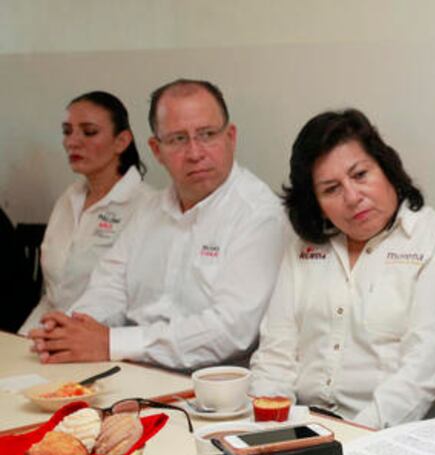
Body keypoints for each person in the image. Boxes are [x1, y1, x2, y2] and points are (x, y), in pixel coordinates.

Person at [26, 79, 287, 371]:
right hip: (128, 369)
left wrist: (111, 343)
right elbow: (109, 287)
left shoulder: (259, 214)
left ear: (231, 137)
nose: (195, 152)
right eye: (177, 139)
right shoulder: (150, 210)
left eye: (207, 134)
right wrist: (74, 329)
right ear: (156, 149)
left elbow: (230, 331)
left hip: (207, 386)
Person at [249, 110, 435, 428]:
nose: (352, 197)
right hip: (301, 426)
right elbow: (276, 353)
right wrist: (265, 428)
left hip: (388, 434)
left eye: (361, 175)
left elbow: (421, 373)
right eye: (331, 189)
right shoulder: (303, 248)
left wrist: (352, 439)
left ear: (387, 169)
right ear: (315, 201)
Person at [19, 91, 151, 333]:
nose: (73, 142)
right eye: (67, 131)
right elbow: (51, 296)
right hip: (48, 330)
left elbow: (135, 303)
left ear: (121, 141)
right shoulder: (68, 199)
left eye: (89, 132)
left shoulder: (146, 206)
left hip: (104, 340)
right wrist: (27, 337)